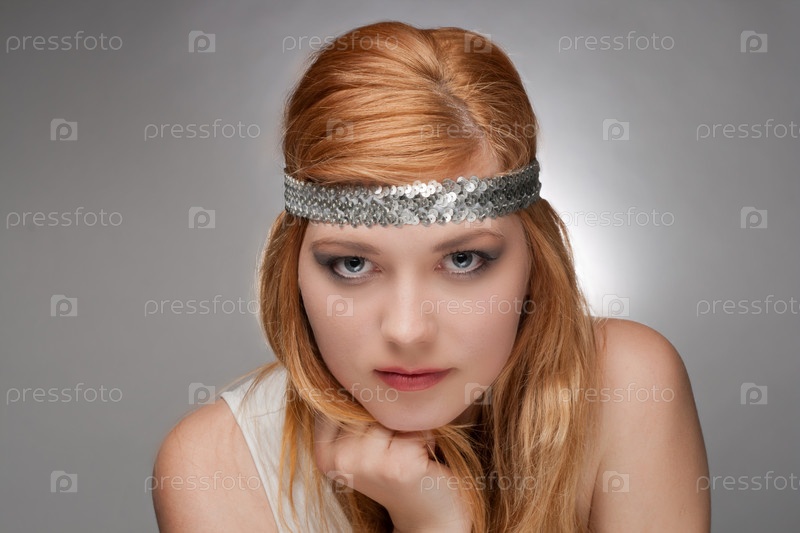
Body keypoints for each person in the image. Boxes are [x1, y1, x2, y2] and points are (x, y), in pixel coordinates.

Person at [151, 21, 710, 532]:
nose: (408, 330)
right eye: (352, 264)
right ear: (291, 265)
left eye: (463, 260)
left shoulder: (626, 386)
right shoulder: (214, 467)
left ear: (534, 258)